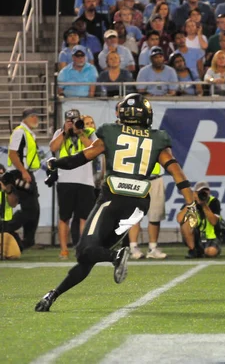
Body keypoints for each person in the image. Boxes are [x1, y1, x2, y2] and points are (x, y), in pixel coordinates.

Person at [35, 94, 197, 312]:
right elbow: (177, 172)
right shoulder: (158, 138)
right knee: (90, 254)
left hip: (112, 200)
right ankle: (53, 295)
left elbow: (83, 156)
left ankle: (116, 255)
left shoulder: (111, 132)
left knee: (85, 250)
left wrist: (57, 163)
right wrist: (191, 205)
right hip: (138, 207)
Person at [49, 109, 97, 260]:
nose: (73, 123)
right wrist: (65, 132)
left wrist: (80, 132)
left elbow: (93, 149)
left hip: (85, 180)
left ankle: (82, 249)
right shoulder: (60, 132)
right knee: (64, 217)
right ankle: (64, 249)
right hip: (65, 180)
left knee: (84, 217)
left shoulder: (88, 132)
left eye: (75, 120)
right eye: (70, 120)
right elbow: (53, 148)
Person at [7, 109, 41, 250]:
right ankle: (4, 229)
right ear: (25, 118)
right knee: (29, 210)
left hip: (26, 173)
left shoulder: (28, 133)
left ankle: (28, 241)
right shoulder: (19, 132)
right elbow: (12, 154)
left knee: (34, 210)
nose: (35, 119)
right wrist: (23, 171)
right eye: (32, 116)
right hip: (20, 173)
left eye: (36, 116)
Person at [178, 182, 225, 258]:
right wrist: (191, 203)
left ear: (209, 192)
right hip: (196, 236)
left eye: (206, 191)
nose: (204, 193)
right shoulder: (191, 202)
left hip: (212, 237)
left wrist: (204, 205)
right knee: (185, 223)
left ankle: (202, 251)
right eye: (201, 192)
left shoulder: (213, 202)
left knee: (211, 252)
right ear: (195, 193)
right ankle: (193, 250)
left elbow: (214, 222)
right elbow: (179, 219)